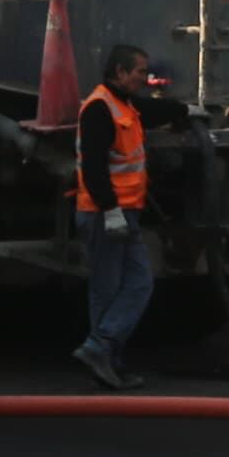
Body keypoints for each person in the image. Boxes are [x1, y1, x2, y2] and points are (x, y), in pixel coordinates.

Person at [69, 42, 160, 389]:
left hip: (124, 213)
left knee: (138, 283)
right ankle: (105, 357)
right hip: (104, 214)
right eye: (139, 72)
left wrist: (184, 111)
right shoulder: (98, 109)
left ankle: (101, 349)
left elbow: (150, 113)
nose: (144, 78)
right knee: (107, 289)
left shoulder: (123, 104)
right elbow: (93, 168)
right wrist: (110, 211)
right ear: (120, 72)